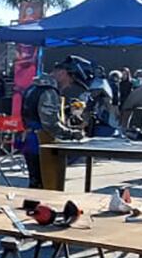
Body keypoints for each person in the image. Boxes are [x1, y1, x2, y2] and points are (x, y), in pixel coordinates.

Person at [18, 56, 91, 190]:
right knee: (47, 188)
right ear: (63, 73)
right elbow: (51, 125)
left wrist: (67, 112)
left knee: (35, 185)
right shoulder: (48, 91)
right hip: (42, 145)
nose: (69, 85)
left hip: (30, 141)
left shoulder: (33, 88)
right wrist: (74, 134)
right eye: (71, 80)